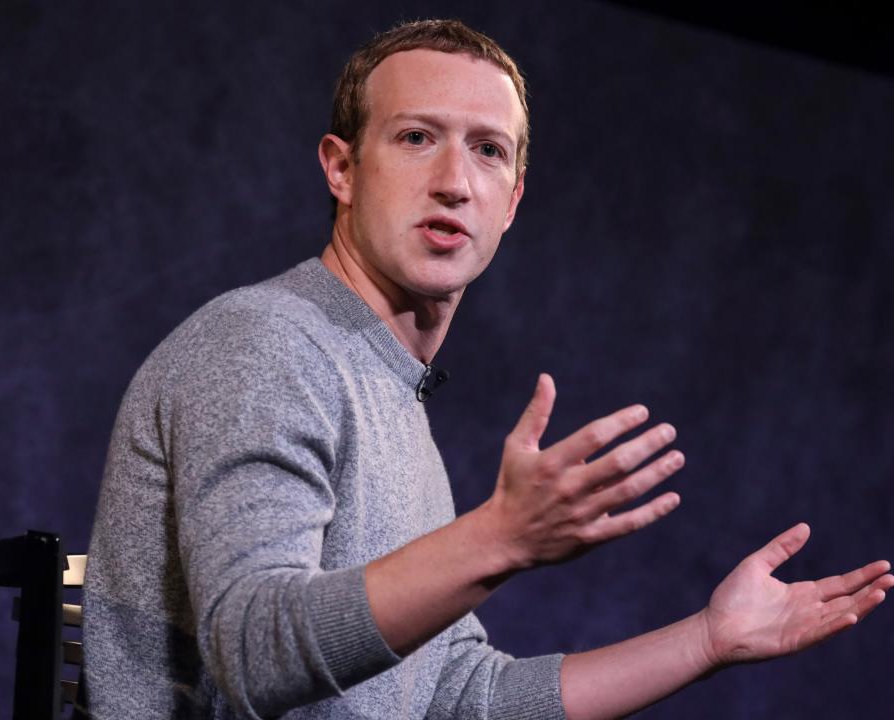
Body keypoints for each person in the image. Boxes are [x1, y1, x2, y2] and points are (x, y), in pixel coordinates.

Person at [83, 19, 893, 720]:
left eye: (487, 151)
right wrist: (498, 539)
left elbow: (461, 698)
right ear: (340, 168)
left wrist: (709, 639)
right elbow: (253, 652)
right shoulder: (265, 343)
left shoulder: (394, 402)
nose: (453, 183)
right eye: (414, 138)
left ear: (512, 200)